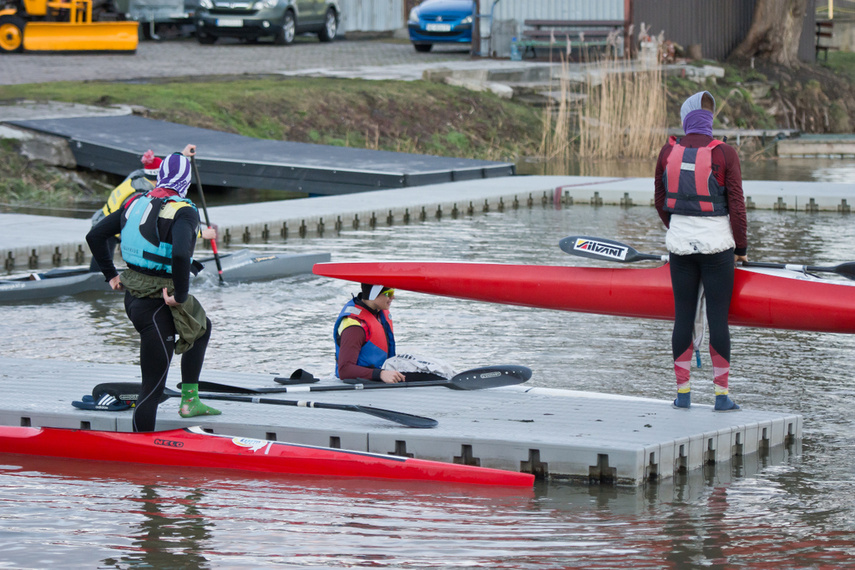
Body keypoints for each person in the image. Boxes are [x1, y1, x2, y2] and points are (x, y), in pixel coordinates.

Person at [86, 144, 221, 432]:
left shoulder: (135, 202)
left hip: (133, 294)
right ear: (185, 183)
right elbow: (182, 255)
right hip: (158, 302)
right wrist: (180, 296)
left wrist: (110, 274)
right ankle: (143, 461)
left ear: (160, 178)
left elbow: (95, 235)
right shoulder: (184, 211)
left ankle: (190, 400)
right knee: (153, 387)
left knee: (202, 327)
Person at [653, 91, 748, 412]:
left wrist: (676, 227)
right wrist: (742, 247)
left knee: (682, 317)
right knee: (718, 319)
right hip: (718, 247)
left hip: (680, 246)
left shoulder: (668, 150)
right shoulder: (725, 153)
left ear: (685, 119)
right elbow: (736, 204)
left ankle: (683, 394)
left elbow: (659, 199)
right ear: (708, 121)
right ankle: (721, 398)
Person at [88, 150, 161, 271]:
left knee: (100, 266)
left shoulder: (137, 175)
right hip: (106, 230)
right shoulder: (141, 193)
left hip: (102, 220)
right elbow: (131, 221)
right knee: (99, 272)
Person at [334, 283, 405, 383]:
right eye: (388, 293)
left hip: (379, 378)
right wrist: (380, 374)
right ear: (373, 295)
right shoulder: (355, 327)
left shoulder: (379, 313)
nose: (393, 297)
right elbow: (345, 370)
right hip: (358, 387)